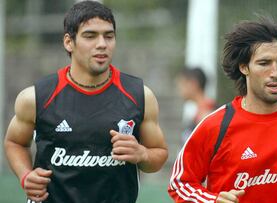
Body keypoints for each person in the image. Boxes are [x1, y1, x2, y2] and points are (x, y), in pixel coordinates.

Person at [4, 1, 168, 203]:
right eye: (90, 36)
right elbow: (14, 142)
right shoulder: (36, 97)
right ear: (68, 42)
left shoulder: (140, 95)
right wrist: (25, 175)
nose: (102, 44)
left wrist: (142, 154)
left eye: (109, 36)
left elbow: (159, 154)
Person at [168, 16, 277, 203]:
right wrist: (212, 200)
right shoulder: (215, 126)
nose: (275, 73)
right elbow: (180, 183)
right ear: (244, 67)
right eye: (264, 63)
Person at [176, 67, 216, 144]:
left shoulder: (209, 113)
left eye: (182, 84)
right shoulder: (198, 113)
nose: (179, 89)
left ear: (193, 84)